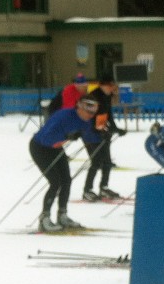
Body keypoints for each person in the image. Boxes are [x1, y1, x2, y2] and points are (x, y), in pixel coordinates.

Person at [29, 96, 100, 231]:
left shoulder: (86, 120)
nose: (91, 114)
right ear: (79, 106)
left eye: (94, 110)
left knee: (66, 180)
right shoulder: (63, 115)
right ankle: (44, 218)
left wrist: (101, 136)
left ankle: (62, 215)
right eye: (88, 108)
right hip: (40, 148)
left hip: (56, 148)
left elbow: (89, 135)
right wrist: (67, 136)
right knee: (55, 182)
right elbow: (46, 138)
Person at [82, 74, 126, 201]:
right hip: (90, 133)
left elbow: (108, 115)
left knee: (107, 162)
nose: (112, 88)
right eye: (110, 85)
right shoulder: (93, 97)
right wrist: (97, 130)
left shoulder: (107, 96)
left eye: (113, 85)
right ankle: (87, 189)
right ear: (102, 85)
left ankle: (104, 187)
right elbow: (88, 117)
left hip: (102, 131)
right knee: (96, 162)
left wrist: (115, 129)